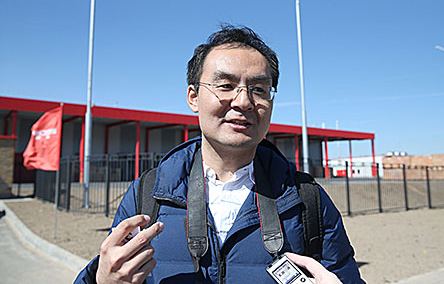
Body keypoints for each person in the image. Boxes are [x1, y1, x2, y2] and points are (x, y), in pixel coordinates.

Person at [74, 25, 364, 284]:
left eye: (259, 89)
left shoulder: (307, 201)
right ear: (193, 98)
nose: (244, 101)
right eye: (225, 85)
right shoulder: (147, 195)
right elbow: (113, 268)